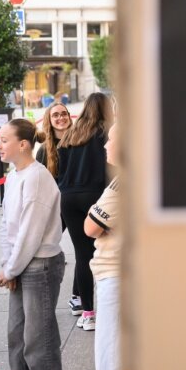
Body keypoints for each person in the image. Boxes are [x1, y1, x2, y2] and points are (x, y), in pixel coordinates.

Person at [0, 118, 68, 370]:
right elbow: (7, 225)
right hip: (20, 264)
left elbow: (30, 233)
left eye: (3, 140)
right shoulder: (14, 176)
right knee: (18, 342)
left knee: (40, 347)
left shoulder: (37, 177)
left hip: (40, 267)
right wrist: (8, 266)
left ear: (23, 145)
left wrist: (10, 269)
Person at [57, 92, 113, 332]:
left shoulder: (71, 133)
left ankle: (87, 313)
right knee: (102, 252)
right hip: (95, 196)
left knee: (82, 254)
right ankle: (108, 307)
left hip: (68, 198)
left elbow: (61, 166)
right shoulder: (106, 133)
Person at [84, 123, 123, 370]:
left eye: (111, 139)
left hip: (116, 275)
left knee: (110, 359)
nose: (105, 145)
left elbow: (90, 227)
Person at [35, 102, 83, 315]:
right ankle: (38, 296)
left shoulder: (80, 141)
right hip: (54, 206)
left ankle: (78, 296)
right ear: (49, 119)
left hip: (75, 204)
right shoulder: (44, 150)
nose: (61, 117)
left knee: (83, 250)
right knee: (43, 248)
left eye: (64, 113)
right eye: (56, 115)